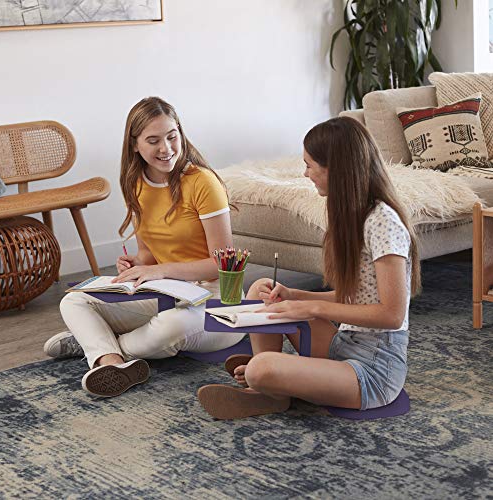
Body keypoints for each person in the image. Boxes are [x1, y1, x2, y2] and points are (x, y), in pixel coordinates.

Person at [197, 116, 421, 420]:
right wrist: (294, 295)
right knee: (262, 290)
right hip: (343, 344)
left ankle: (266, 379)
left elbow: (392, 315)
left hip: (374, 368)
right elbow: (357, 298)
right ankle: (271, 387)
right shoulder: (353, 215)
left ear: (335, 169)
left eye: (309, 165)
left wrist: (312, 308)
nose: (306, 174)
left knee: (261, 368)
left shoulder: (384, 223)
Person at [44, 97, 245, 397]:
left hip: (217, 301)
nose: (166, 148)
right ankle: (111, 361)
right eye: (153, 141)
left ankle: (98, 346)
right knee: (74, 301)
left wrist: (160, 270)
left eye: (172, 136)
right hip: (167, 293)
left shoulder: (203, 182)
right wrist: (137, 264)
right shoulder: (136, 183)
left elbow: (221, 266)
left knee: (171, 326)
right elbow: (148, 255)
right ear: (135, 145)